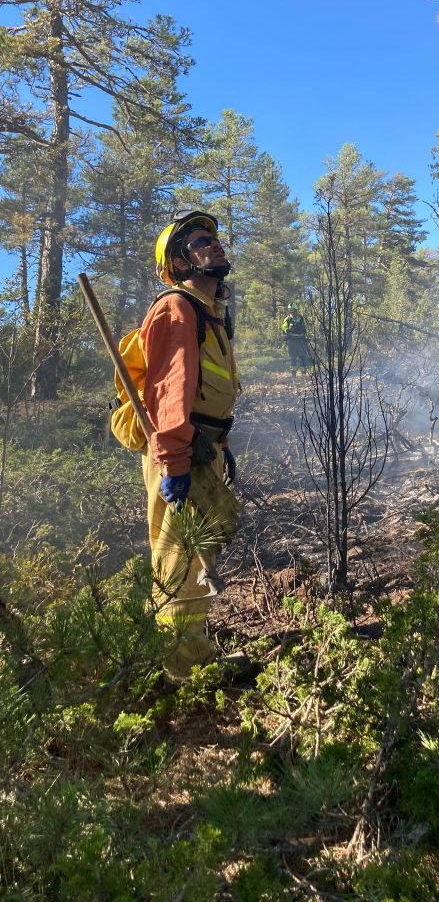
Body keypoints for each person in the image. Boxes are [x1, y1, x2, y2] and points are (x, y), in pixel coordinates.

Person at [142, 209, 241, 683]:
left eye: (214, 239)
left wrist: (219, 441)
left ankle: (191, 651)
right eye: (201, 241)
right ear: (179, 262)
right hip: (179, 453)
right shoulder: (177, 309)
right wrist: (175, 464)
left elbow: (205, 390)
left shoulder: (208, 312)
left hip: (201, 448)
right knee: (179, 560)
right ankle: (182, 673)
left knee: (198, 550)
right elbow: (167, 394)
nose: (214, 245)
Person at [281, 300, 311, 377]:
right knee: (293, 357)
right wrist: (287, 330)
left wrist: (307, 336)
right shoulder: (287, 319)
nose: (291, 312)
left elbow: (306, 328)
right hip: (291, 340)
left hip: (301, 340)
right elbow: (284, 327)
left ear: (296, 310)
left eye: (293, 310)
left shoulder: (301, 318)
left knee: (302, 356)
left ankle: (303, 373)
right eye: (290, 310)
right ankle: (293, 374)